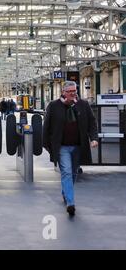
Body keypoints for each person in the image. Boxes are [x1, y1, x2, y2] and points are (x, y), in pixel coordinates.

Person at [43, 81, 98, 217]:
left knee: (73, 173)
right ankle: (70, 203)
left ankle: (66, 193)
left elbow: (92, 122)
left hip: (78, 146)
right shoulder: (54, 106)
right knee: (66, 172)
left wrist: (94, 138)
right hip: (62, 147)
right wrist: (46, 144)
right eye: (70, 91)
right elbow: (47, 126)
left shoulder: (83, 105)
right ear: (63, 92)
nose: (73, 93)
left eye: (74, 91)